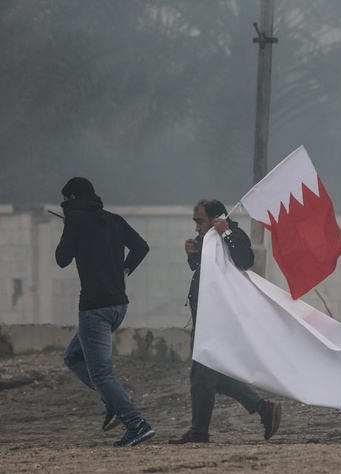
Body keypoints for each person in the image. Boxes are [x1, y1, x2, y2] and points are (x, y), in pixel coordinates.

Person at [169, 199, 282, 444]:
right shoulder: (206, 239)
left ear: (216, 219)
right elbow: (204, 271)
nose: (197, 228)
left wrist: (227, 232)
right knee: (214, 377)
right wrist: (192, 254)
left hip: (219, 321)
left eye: (200, 222)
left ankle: (199, 433)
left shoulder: (233, 233)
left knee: (202, 375)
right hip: (205, 319)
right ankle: (264, 408)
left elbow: (244, 260)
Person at [55, 176, 154, 447]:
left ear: (71, 200)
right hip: (118, 306)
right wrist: (122, 271)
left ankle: (136, 423)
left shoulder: (75, 221)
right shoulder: (113, 219)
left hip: (95, 308)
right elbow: (141, 247)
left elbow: (62, 259)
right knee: (73, 356)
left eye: (64, 202)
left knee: (101, 373)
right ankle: (113, 402)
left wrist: (68, 228)